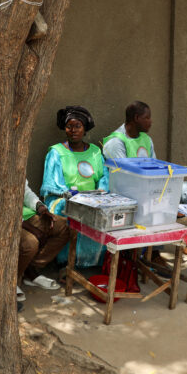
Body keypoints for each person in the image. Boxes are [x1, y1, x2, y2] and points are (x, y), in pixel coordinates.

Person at [102, 101, 187, 264]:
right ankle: (154, 252)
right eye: (147, 118)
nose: (151, 122)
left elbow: (155, 167)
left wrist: (167, 189)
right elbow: (122, 178)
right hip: (127, 192)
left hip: (149, 187)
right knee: (158, 203)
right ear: (136, 118)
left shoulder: (146, 139)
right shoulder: (115, 143)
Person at [40, 105, 109, 267]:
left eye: (77, 126)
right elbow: (50, 183)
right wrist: (68, 193)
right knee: (71, 210)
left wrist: (99, 193)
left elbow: (104, 178)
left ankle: (93, 260)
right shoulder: (56, 152)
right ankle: (67, 263)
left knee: (103, 210)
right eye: (69, 126)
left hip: (93, 198)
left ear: (85, 129)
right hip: (63, 198)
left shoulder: (95, 152)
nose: (73, 130)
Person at [17, 180, 71, 302]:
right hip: (11, 220)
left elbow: (25, 192)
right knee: (31, 243)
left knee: (65, 227)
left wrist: (41, 208)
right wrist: (33, 230)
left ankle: (30, 270)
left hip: (27, 215)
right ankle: (12, 280)